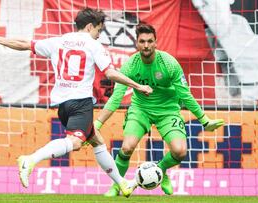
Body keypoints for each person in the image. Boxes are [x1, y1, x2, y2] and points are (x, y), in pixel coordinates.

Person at [0, 7, 152, 197]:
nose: (98, 35)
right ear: (89, 27)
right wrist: (138, 86)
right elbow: (110, 73)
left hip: (63, 106)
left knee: (96, 140)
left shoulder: (58, 41)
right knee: (76, 142)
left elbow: (24, 44)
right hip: (81, 103)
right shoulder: (93, 45)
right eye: (98, 30)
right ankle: (30, 160)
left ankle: (123, 184)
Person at [94, 23, 224, 196]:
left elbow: (185, 95)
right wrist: (97, 124)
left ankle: (160, 171)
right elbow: (116, 98)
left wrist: (204, 120)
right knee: (126, 148)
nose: (146, 45)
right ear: (137, 43)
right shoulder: (130, 66)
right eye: (142, 41)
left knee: (180, 151)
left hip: (168, 111)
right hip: (140, 109)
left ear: (156, 42)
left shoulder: (169, 64)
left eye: (150, 41)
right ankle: (117, 186)